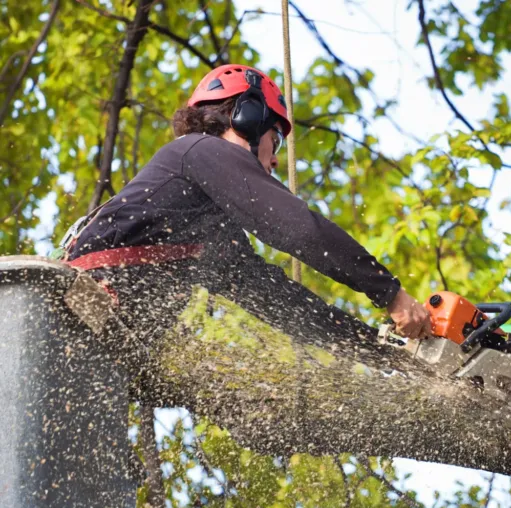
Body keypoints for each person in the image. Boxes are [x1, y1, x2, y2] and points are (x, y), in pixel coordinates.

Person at [68, 64, 431, 341]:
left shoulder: (211, 229)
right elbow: (299, 229)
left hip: (101, 336)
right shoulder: (200, 150)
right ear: (248, 117)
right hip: (76, 308)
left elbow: (279, 301)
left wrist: (377, 347)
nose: (275, 160)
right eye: (276, 138)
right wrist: (390, 293)